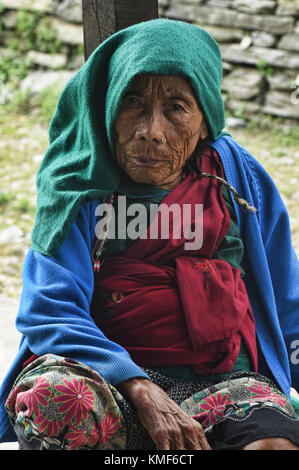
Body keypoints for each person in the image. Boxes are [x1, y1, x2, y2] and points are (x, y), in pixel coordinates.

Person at [0, 19, 299, 451]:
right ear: (108, 108)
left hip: (223, 385)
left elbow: (285, 292)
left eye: (176, 107)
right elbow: (49, 310)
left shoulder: (236, 176)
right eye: (133, 102)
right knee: (54, 399)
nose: (151, 130)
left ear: (204, 120)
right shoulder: (82, 184)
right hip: (110, 386)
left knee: (273, 444)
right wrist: (137, 385)